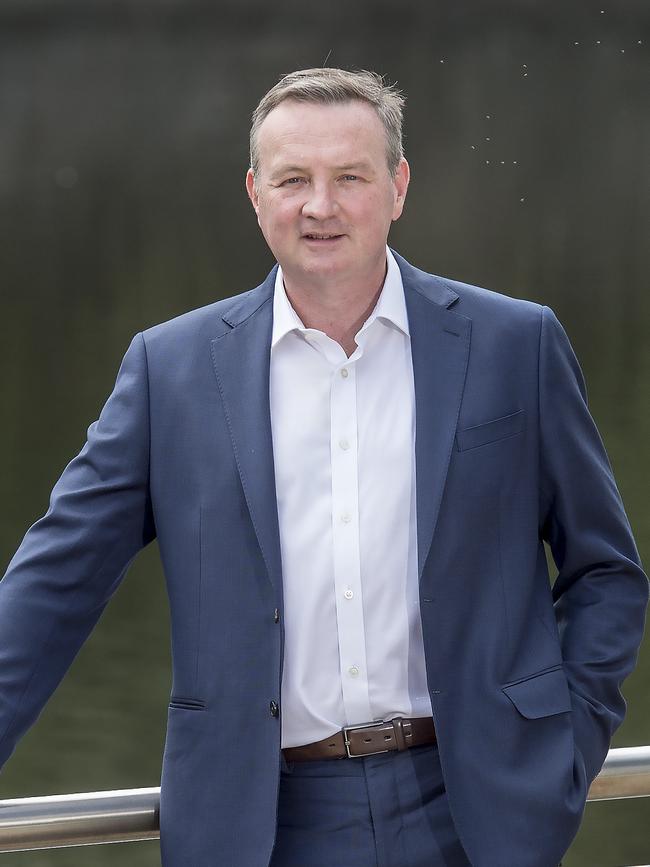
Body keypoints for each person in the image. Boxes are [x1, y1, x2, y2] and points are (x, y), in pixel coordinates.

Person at [0, 67, 646, 867]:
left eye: (350, 177)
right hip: (259, 823)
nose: (320, 206)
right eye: (294, 179)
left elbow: (606, 573)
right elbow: (50, 586)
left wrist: (562, 747)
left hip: (477, 809)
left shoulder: (516, 346)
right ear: (254, 193)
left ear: (399, 185)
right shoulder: (169, 372)